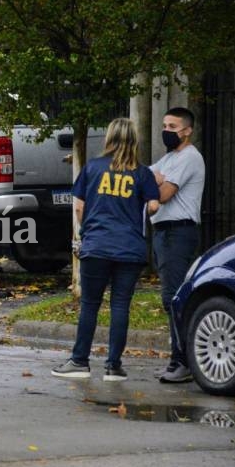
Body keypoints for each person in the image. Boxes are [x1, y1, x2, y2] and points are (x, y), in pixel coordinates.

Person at [52, 118, 159, 381]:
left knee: (90, 304)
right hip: (130, 248)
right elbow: (154, 206)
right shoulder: (142, 173)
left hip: (97, 245)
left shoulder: (93, 168)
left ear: (109, 138)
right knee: (121, 305)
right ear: (134, 140)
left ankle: (79, 361)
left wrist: (87, 227)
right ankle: (114, 366)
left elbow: (78, 205)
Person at [151, 107, 205, 384]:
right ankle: (181, 358)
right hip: (164, 233)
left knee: (173, 298)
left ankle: (181, 361)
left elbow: (162, 194)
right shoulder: (170, 158)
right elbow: (144, 181)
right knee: (170, 298)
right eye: (165, 126)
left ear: (187, 130)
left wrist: (156, 183)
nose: (167, 131)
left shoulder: (188, 158)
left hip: (178, 233)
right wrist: (153, 181)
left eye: (172, 127)